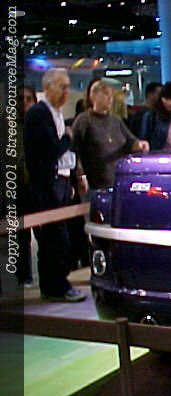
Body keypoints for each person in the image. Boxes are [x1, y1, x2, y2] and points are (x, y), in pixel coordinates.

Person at [24, 68, 87, 302]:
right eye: (62, 86)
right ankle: (56, 286)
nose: (66, 92)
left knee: (60, 236)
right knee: (54, 239)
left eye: (67, 86)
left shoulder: (57, 113)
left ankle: (55, 285)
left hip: (61, 181)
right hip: (46, 186)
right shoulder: (38, 114)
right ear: (48, 87)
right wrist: (68, 138)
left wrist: (70, 179)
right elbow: (50, 151)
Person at [72, 80, 150, 190]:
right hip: (95, 184)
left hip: (119, 181)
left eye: (111, 95)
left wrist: (140, 145)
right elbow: (75, 150)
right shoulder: (84, 121)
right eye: (105, 94)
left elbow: (130, 143)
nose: (109, 98)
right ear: (93, 96)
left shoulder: (116, 121)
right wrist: (80, 175)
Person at [17, 86, 36, 287]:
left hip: (38, 187)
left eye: (28, 99)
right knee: (21, 236)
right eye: (21, 99)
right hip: (18, 188)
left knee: (45, 234)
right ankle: (24, 276)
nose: (24, 103)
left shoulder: (40, 125)